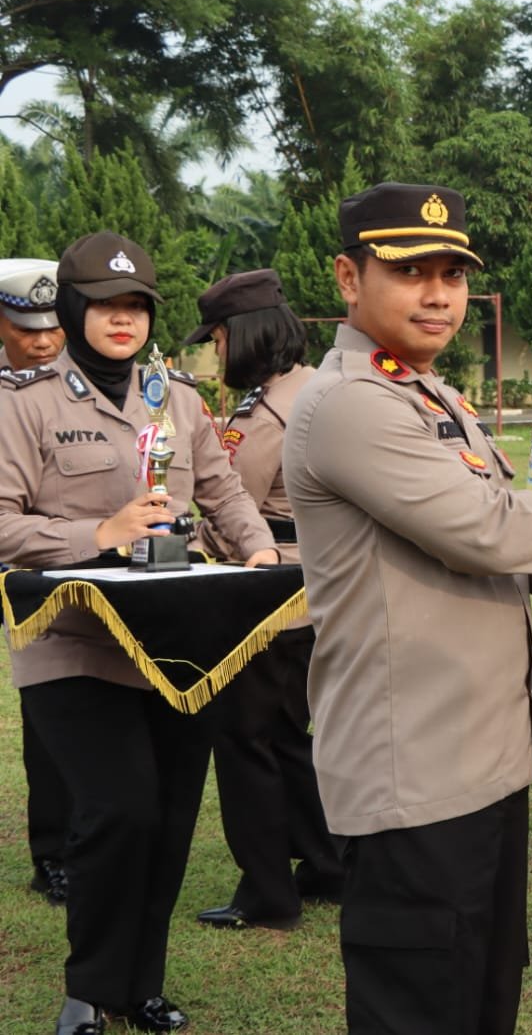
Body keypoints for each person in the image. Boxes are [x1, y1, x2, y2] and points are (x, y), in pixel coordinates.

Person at [280, 182, 532, 1035]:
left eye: (453, 274)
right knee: (423, 1000)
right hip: (413, 765)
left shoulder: (431, 395)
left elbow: (504, 554)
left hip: (479, 756)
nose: (438, 294)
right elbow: (486, 530)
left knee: (479, 985)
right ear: (347, 278)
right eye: (410, 271)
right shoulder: (353, 402)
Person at [0, 232, 278, 1035]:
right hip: (75, 646)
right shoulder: (26, 405)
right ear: (77, 309)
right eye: (108, 305)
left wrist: (256, 545)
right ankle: (87, 989)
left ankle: (139, 986)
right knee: (115, 813)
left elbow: (222, 490)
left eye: (138, 306)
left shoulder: (179, 400)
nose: (124, 320)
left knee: (167, 818)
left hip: (178, 646)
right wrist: (101, 532)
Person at [181, 269, 345, 931]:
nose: (216, 354)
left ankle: (266, 892)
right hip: (323, 590)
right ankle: (329, 861)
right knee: (289, 738)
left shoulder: (268, 411)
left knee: (246, 742)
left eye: (216, 340)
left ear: (238, 336)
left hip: (272, 596)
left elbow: (230, 503)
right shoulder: (327, 389)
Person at [0, 257, 73, 907]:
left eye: (54, 326)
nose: (44, 339)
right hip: (24, 572)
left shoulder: (95, 388)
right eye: (28, 327)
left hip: (95, 566)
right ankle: (53, 854)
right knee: (47, 715)